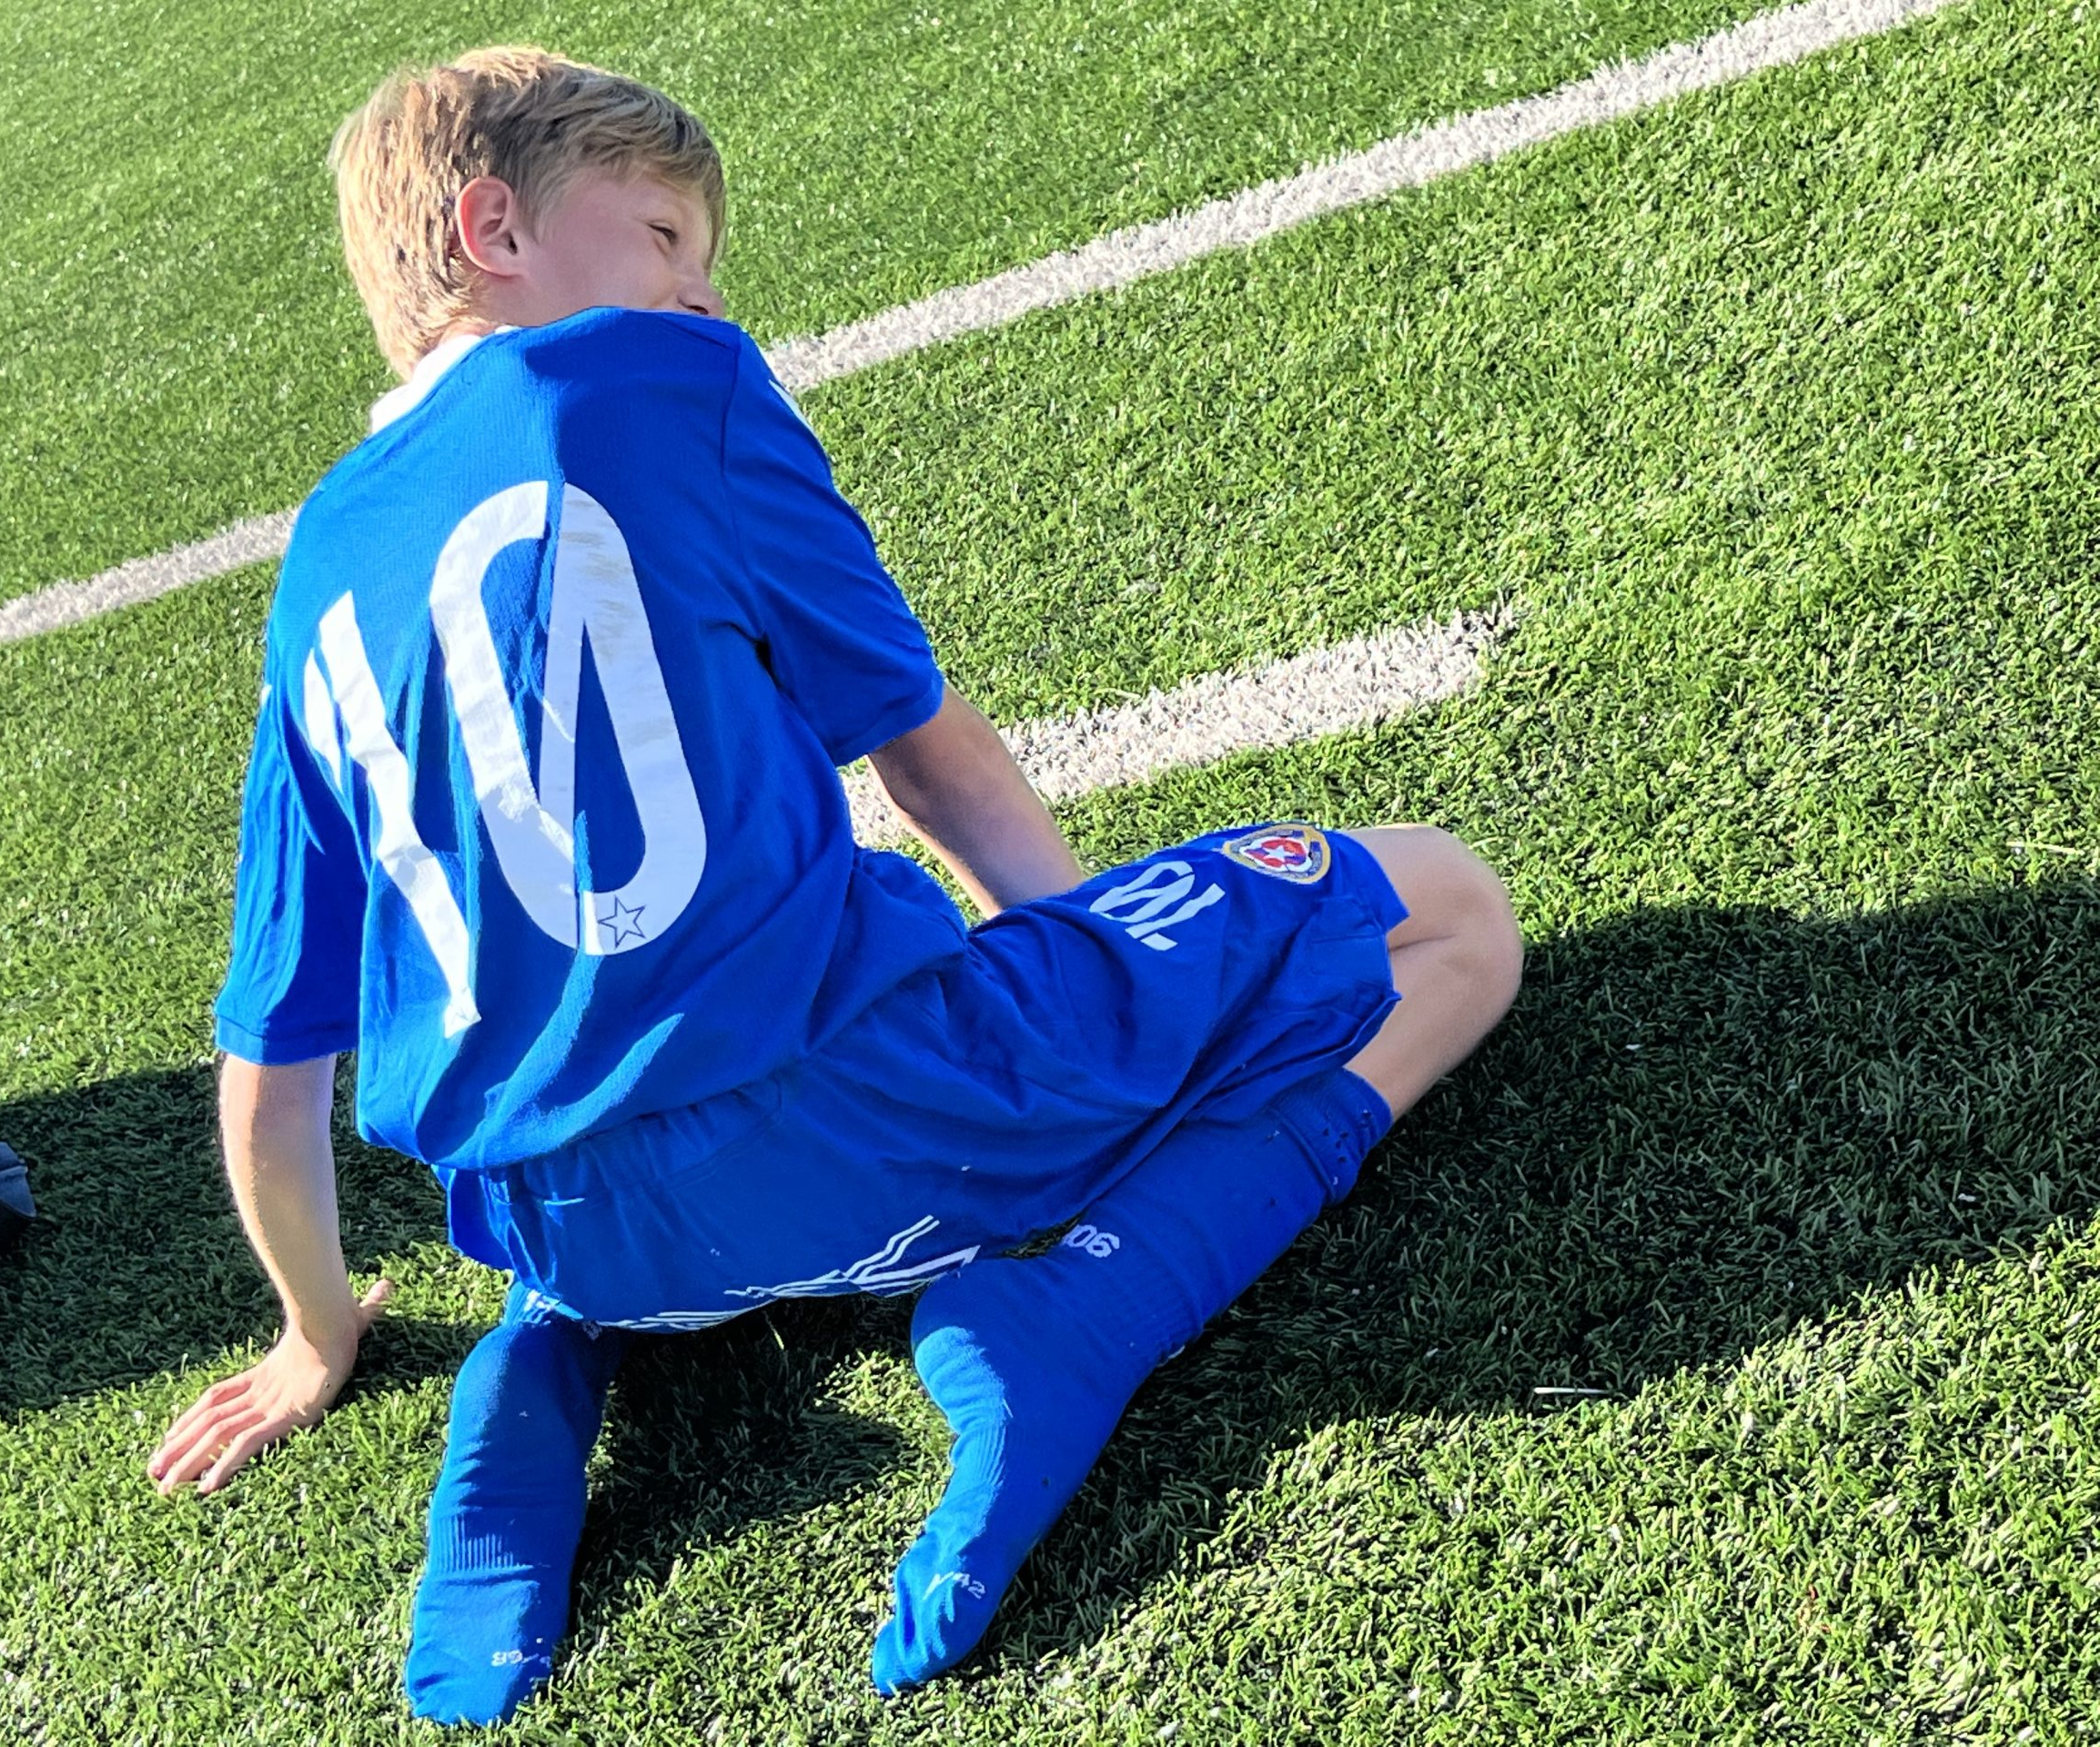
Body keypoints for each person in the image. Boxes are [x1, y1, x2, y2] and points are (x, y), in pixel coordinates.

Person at [145, 46, 1522, 1725]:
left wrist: (314, 1334)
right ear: (492, 227)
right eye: (666, 235)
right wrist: (1091, 1003)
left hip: (586, 1236)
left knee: (574, 1118)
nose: (704, 294)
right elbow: (933, 765)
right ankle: (1083, 1313)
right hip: (879, 1125)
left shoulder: (311, 578)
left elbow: (268, 1072)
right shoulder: (669, 387)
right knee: (1454, 912)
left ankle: (533, 1378)